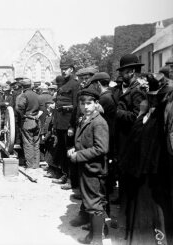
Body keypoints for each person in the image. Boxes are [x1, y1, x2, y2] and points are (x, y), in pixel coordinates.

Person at [119, 73, 173, 245]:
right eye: (148, 98)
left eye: (153, 99)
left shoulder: (158, 121)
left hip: (154, 178)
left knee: (156, 215)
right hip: (140, 177)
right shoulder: (144, 118)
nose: (148, 102)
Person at [67, 88, 109, 245]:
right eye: (82, 103)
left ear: (96, 104)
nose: (85, 106)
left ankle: (97, 240)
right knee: (90, 203)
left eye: (89, 103)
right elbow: (82, 141)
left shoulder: (99, 122)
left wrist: (78, 155)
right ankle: (92, 236)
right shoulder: (84, 119)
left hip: (94, 169)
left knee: (95, 204)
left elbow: (101, 148)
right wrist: (74, 149)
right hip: (86, 168)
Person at [115, 54, 147, 204]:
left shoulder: (138, 91)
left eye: (124, 72)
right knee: (121, 167)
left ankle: (128, 201)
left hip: (131, 137)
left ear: (132, 71)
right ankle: (122, 198)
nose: (121, 75)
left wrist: (117, 112)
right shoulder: (122, 88)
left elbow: (137, 116)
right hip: (121, 136)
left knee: (129, 169)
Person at [52, 61, 80, 190]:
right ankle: (64, 174)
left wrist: (71, 126)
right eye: (62, 69)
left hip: (68, 124)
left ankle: (71, 179)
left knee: (70, 152)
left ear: (72, 69)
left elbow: (76, 107)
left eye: (66, 69)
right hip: (59, 124)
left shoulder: (75, 84)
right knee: (63, 151)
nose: (63, 71)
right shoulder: (63, 84)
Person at [16, 78, 42, 169]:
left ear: (22, 87)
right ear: (30, 85)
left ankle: (30, 165)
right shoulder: (37, 95)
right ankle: (36, 164)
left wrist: (23, 115)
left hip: (27, 121)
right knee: (36, 143)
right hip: (37, 121)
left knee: (28, 143)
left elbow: (19, 108)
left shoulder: (23, 95)